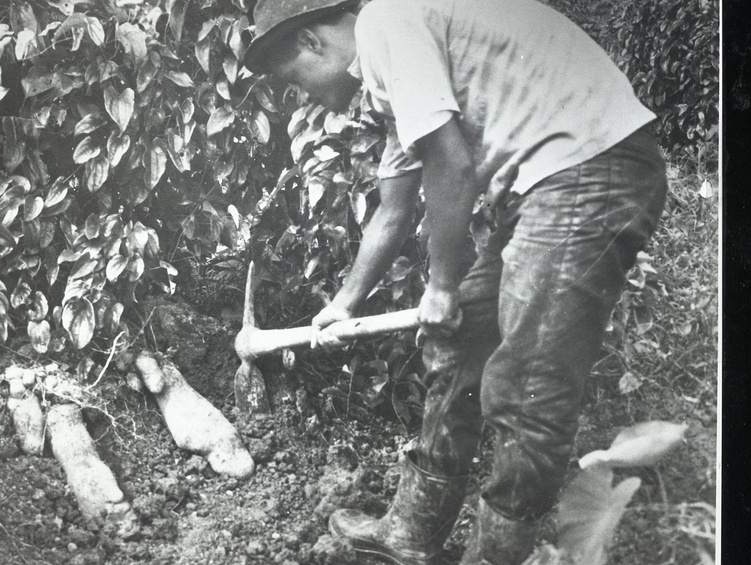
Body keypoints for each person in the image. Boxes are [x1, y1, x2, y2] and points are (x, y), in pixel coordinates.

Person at [243, 0, 669, 563]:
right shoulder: (391, 74)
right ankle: (411, 534)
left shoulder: (389, 24)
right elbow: (392, 212)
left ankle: (493, 557)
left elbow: (451, 164)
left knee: (524, 386)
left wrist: (440, 286)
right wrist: (344, 304)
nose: (303, 96)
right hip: (546, 187)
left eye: (294, 82)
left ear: (312, 44)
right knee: (458, 342)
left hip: (592, 169)